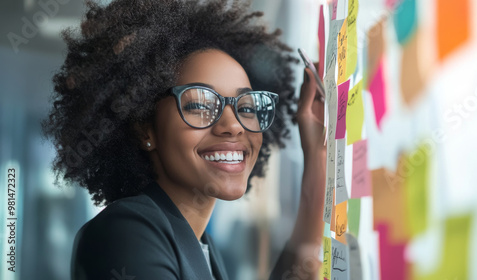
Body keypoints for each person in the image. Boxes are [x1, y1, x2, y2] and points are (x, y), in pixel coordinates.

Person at [42, 0, 326, 279]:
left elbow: (299, 268)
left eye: (247, 107)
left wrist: (317, 155)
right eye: (201, 105)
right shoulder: (126, 231)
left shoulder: (200, 245)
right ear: (145, 129)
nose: (233, 125)